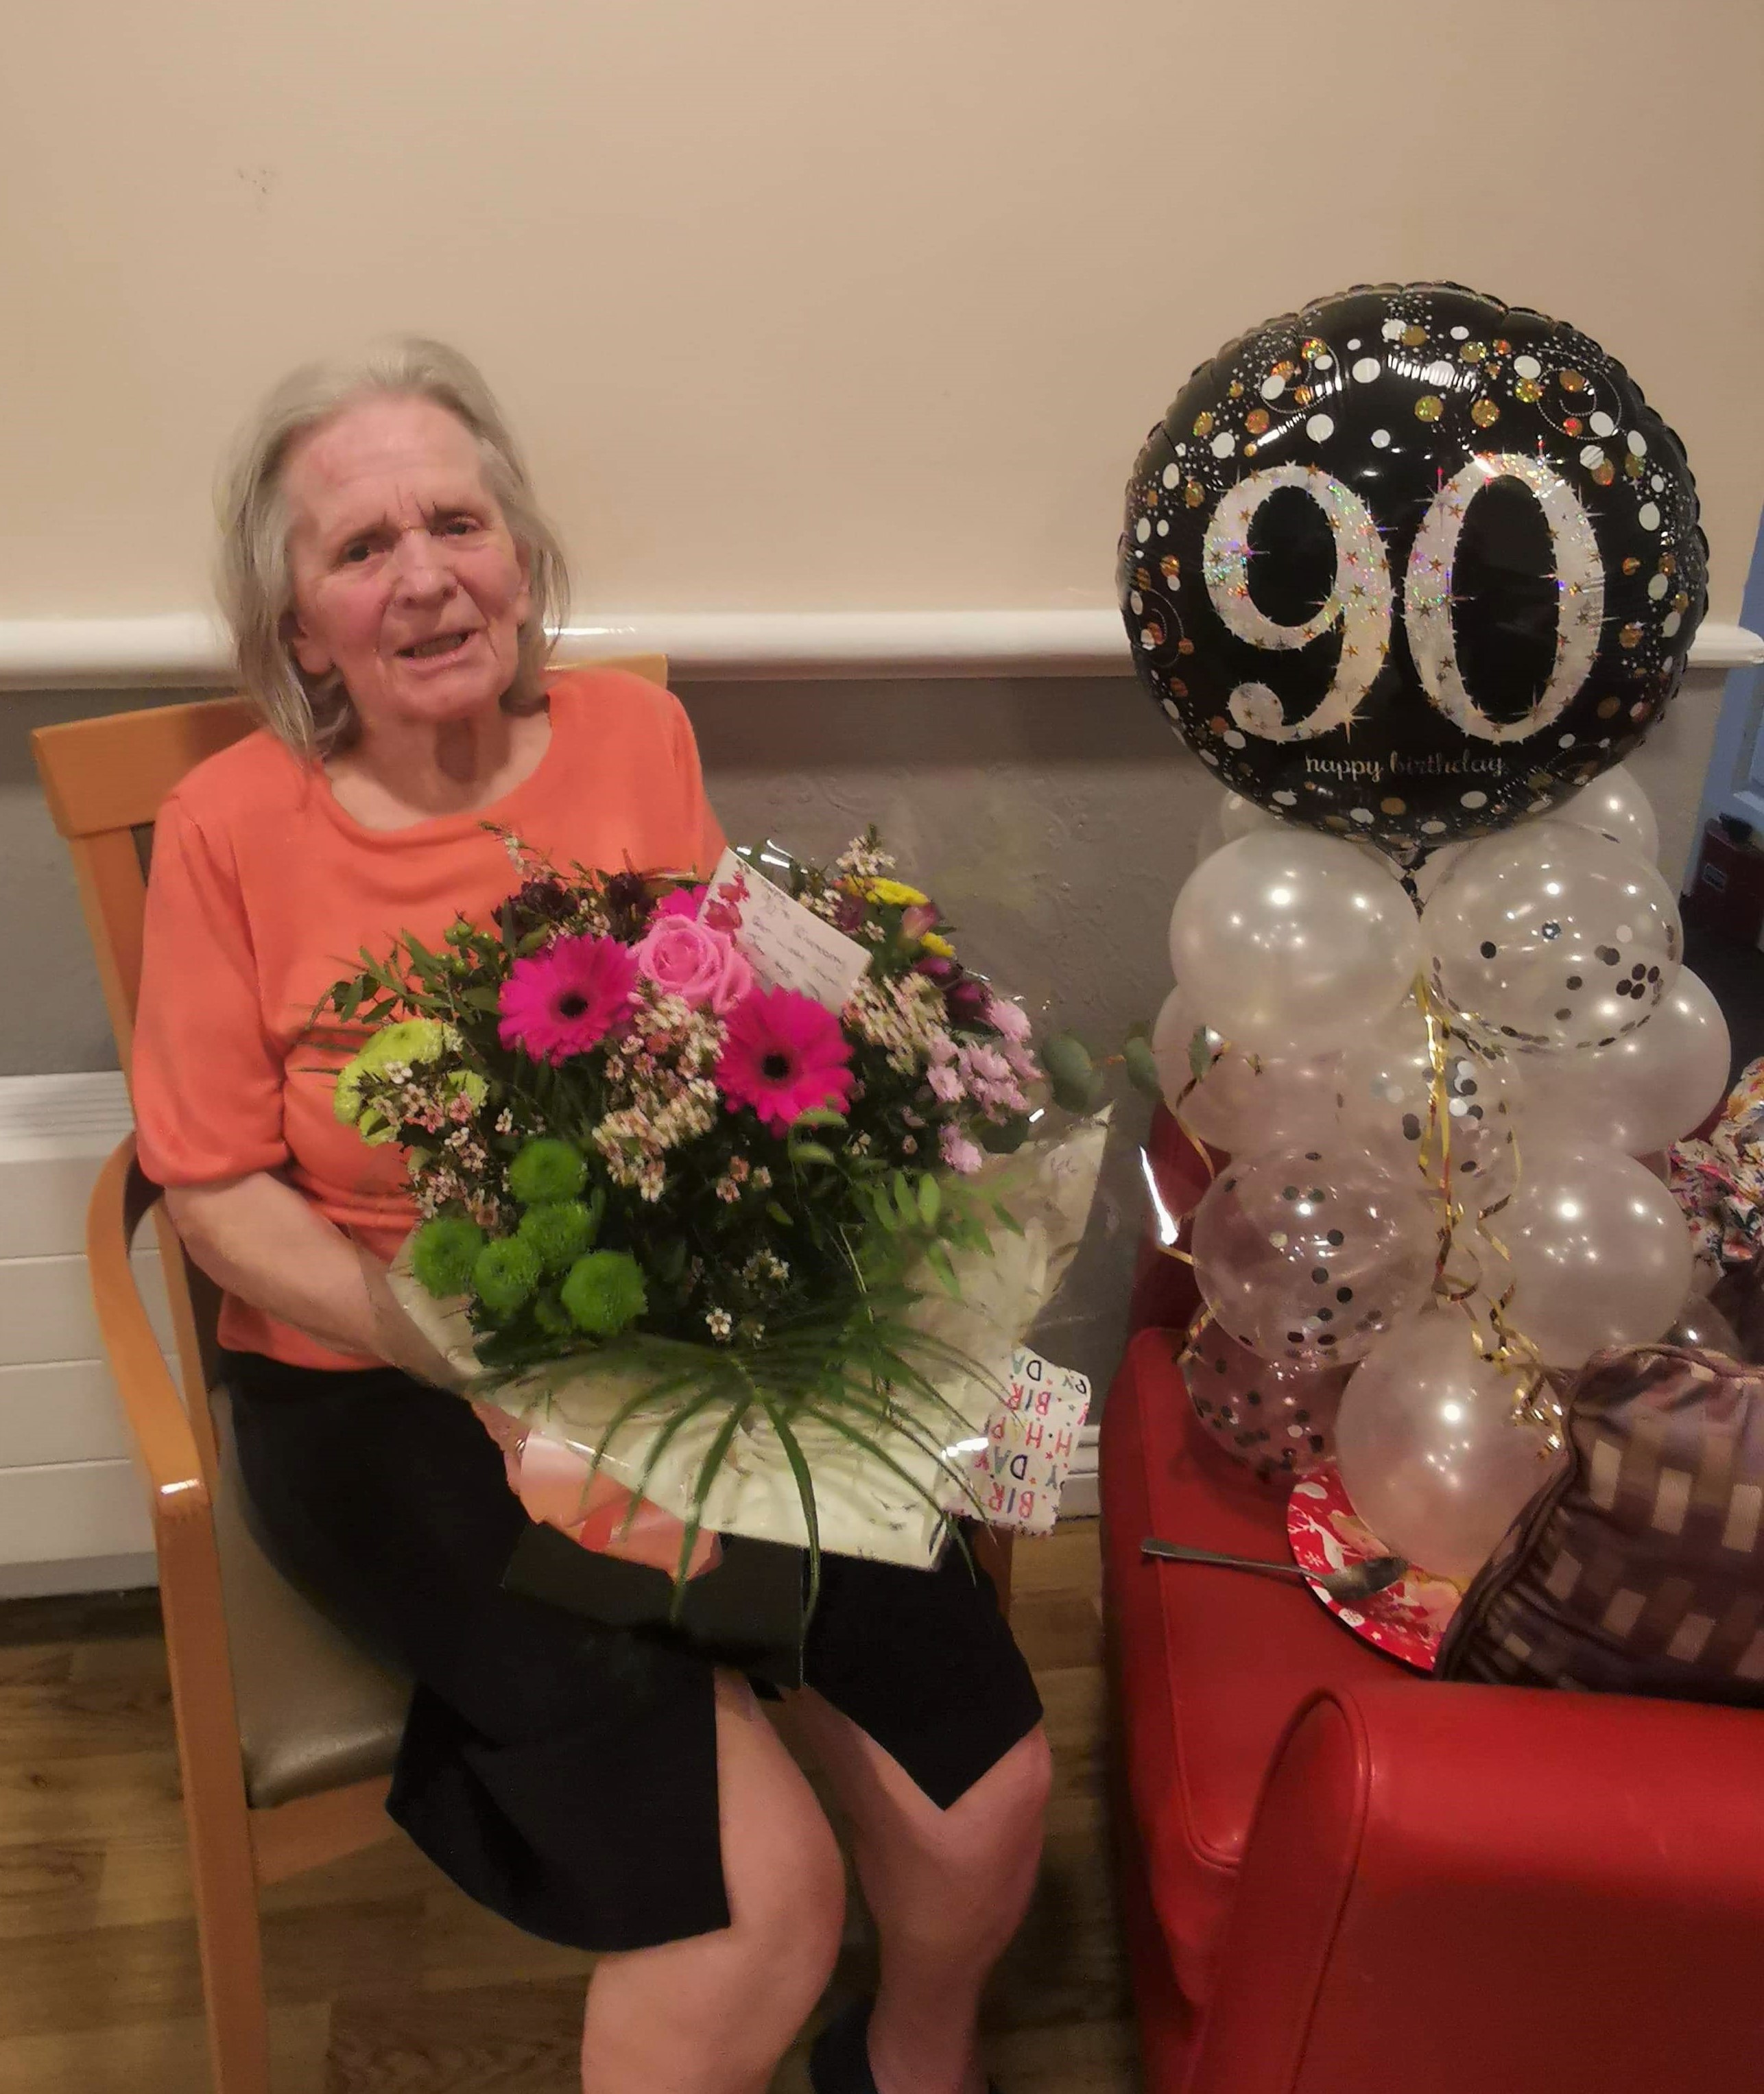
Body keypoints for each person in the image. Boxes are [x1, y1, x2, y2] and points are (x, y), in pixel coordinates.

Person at [131, 339, 1051, 2094]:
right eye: (360, 548)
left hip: (675, 1333)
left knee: (983, 1790)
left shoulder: (636, 733)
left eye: (455, 523)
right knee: (748, 1904)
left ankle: (909, 2063)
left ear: (519, 554)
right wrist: (452, 1346)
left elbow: (714, 1022)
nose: (423, 577)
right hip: (382, 1383)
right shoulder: (226, 826)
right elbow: (212, 1190)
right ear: (301, 629)